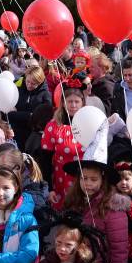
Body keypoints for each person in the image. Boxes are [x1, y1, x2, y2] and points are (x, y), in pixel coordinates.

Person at [61, 126, 129, 263]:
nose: (88, 184)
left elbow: (119, 252)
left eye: (93, 179)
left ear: (103, 180)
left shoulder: (113, 209)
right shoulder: (75, 202)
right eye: (84, 178)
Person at [40, 75, 86, 210]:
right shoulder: (53, 126)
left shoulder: (89, 123)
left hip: (85, 180)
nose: (73, 105)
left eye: (77, 102)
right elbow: (45, 160)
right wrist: (49, 188)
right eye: (69, 101)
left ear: (82, 103)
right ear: (63, 103)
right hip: (61, 181)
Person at [9, 66, 51, 151]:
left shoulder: (45, 95)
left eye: (33, 84)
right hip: (16, 132)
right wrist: (30, 115)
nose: (29, 85)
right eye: (27, 81)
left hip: (33, 136)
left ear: (40, 83)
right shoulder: (17, 86)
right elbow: (8, 114)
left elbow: (43, 118)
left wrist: (19, 114)